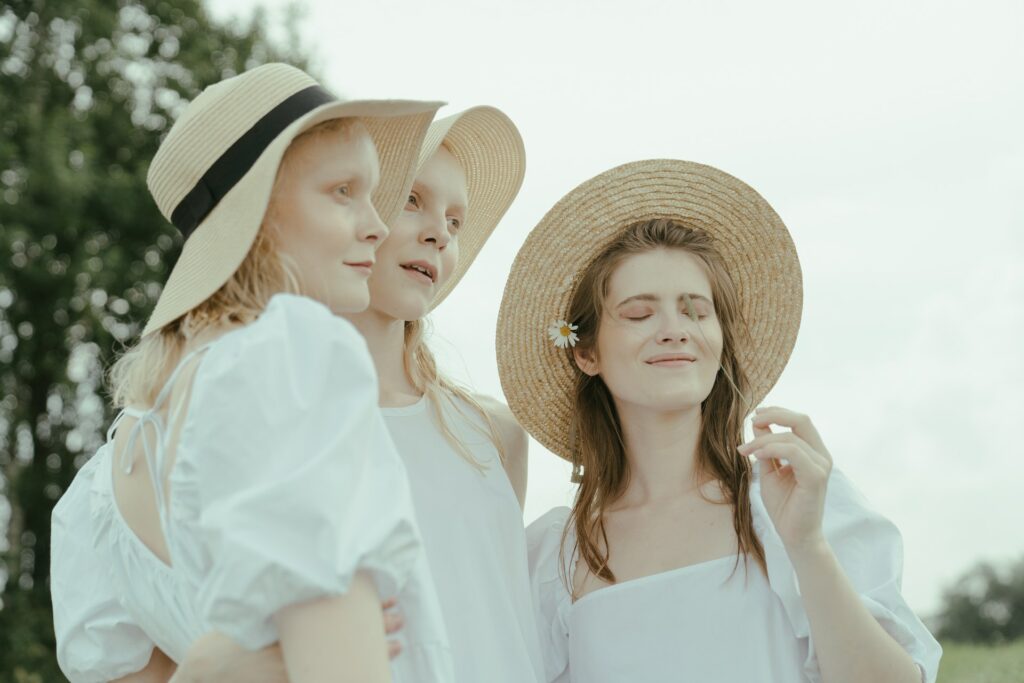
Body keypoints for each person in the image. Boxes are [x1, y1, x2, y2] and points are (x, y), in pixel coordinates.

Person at [50, 63, 452, 683]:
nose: (375, 222)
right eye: (342, 190)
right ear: (256, 215)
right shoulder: (293, 362)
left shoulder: (97, 493)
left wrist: (209, 668)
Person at [496, 159, 943, 682]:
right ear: (586, 353)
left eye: (696, 310)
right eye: (640, 314)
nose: (674, 330)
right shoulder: (555, 557)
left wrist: (807, 547)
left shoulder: (788, 500)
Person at [163, 107, 546, 683]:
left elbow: (497, 623)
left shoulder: (495, 434)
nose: (440, 231)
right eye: (412, 199)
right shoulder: (274, 412)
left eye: (456, 220)